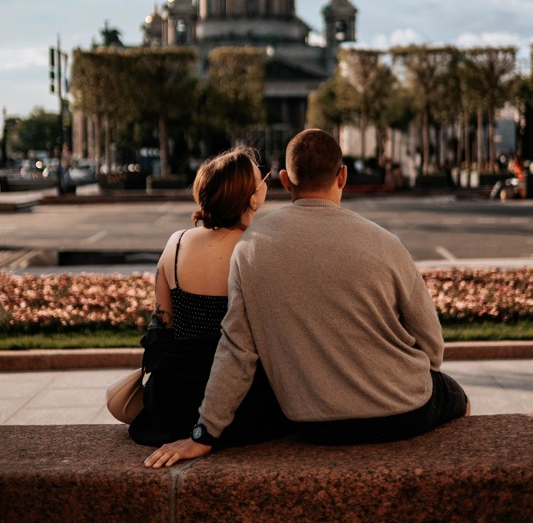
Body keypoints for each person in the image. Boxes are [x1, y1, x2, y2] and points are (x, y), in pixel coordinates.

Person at [145, 129, 469, 468]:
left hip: (313, 422)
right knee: (455, 396)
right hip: (402, 410)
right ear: (342, 175)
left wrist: (204, 433)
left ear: (285, 180)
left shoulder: (252, 248)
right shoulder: (386, 243)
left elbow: (236, 349)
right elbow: (432, 346)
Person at [129, 145, 288, 448]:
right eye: (261, 179)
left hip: (174, 401)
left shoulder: (175, 244)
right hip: (239, 406)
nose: (266, 182)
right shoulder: (258, 250)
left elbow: (162, 327)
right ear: (252, 198)